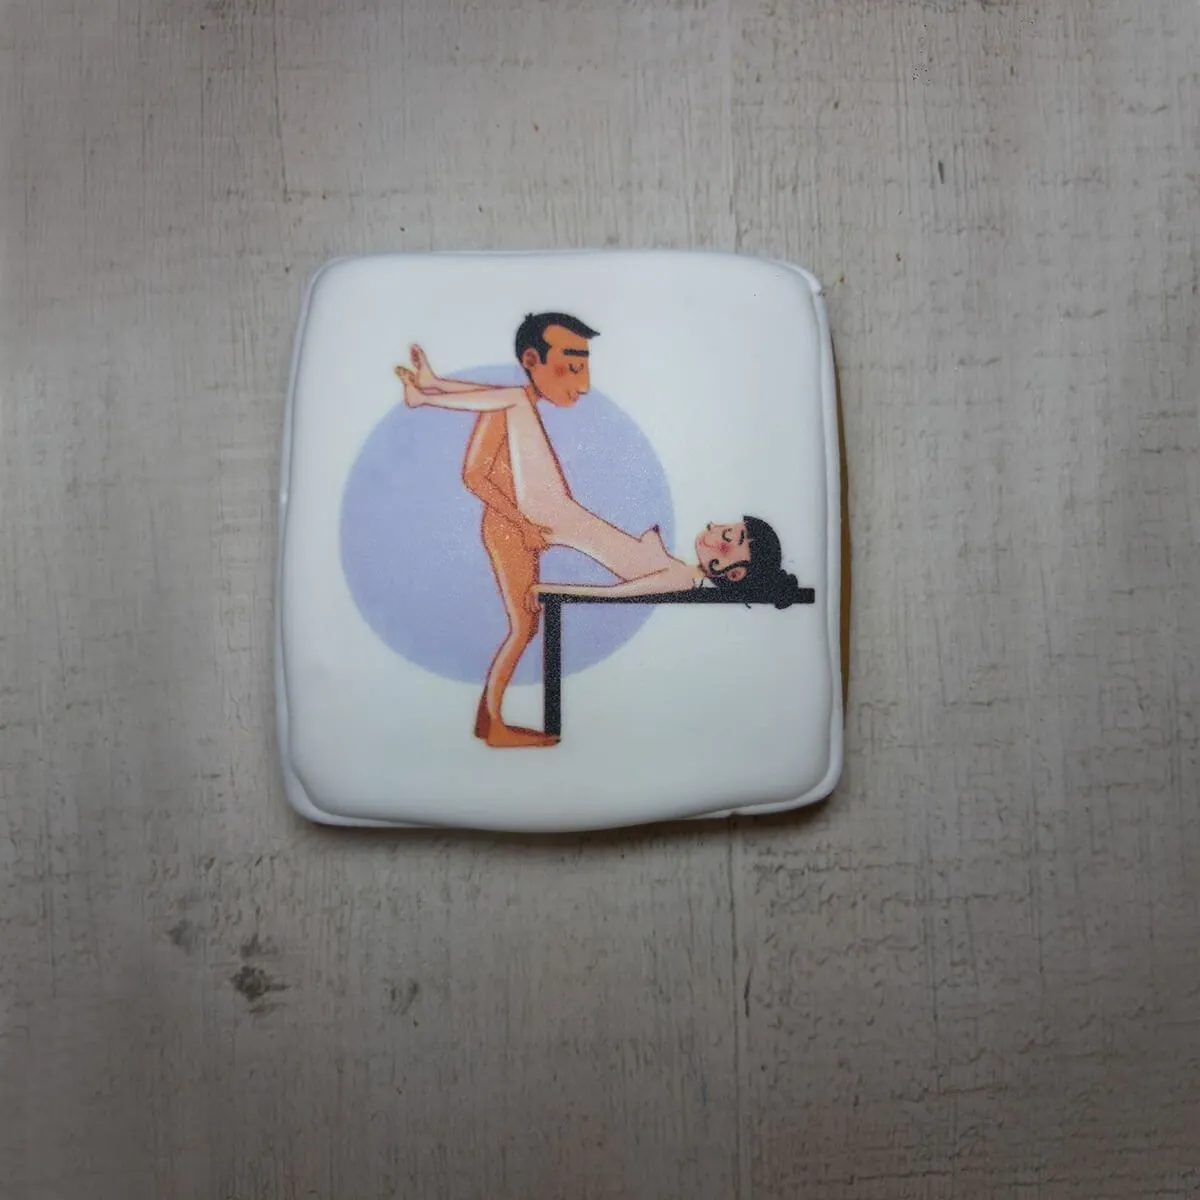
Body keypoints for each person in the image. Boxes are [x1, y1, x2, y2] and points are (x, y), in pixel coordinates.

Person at [396, 347, 806, 731]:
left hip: (550, 511)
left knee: (518, 402)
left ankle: (428, 394)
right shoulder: (681, 568)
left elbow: (617, 594)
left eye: (729, 540)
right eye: (728, 528)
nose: (718, 530)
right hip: (558, 508)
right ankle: (432, 386)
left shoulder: (682, 578)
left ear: (731, 573)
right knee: (516, 404)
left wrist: (552, 590)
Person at [396, 314, 598, 748]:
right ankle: (494, 725)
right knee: (522, 626)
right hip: (507, 528)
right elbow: (474, 475)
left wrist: (436, 384)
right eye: (573, 367)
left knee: (527, 623)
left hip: (521, 527)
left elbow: (493, 399)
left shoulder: (514, 404)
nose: (582, 384)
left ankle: (488, 722)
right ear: (533, 360)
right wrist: (522, 524)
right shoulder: (508, 409)